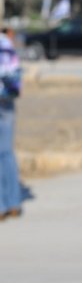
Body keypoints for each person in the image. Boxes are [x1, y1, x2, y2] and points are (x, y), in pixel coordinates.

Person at [0, 27, 22, 220]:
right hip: (7, 99)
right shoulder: (8, 44)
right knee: (7, 152)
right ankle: (14, 203)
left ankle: (1, 206)